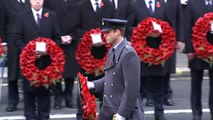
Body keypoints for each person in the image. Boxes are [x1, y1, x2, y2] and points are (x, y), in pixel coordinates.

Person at [127, 0, 180, 119]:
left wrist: (162, 33)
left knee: (158, 86)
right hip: (140, 53)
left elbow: (170, 25)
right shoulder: (135, 5)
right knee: (139, 87)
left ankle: (159, 113)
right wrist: (144, 32)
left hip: (158, 53)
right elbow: (129, 25)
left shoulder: (163, 5)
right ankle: (136, 114)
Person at [87, 18, 146, 120]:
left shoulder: (128, 53)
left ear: (117, 32)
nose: (104, 35)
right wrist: (93, 84)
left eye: (107, 32)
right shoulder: (113, 50)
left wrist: (122, 114)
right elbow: (111, 78)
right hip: (109, 110)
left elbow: (132, 88)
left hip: (122, 113)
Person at [14, 0, 61, 119]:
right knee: (29, 93)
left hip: (46, 63)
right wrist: (29, 51)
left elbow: (57, 38)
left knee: (44, 93)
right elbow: (17, 38)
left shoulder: (51, 15)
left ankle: (44, 116)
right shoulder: (22, 16)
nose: (38, 1)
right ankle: (30, 117)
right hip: (28, 63)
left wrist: (48, 49)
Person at [75, 0, 115, 119]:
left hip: (105, 55)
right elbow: (75, 28)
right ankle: (83, 116)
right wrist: (89, 36)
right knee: (84, 90)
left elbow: (114, 27)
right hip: (86, 57)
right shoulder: (80, 5)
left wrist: (104, 36)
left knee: (106, 89)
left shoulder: (109, 5)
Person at [44, 0, 80, 110]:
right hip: (56, 40)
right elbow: (46, 19)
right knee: (56, 71)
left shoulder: (77, 2)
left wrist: (72, 36)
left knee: (70, 72)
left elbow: (79, 21)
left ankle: (68, 97)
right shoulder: (49, 1)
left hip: (71, 41)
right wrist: (57, 37)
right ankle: (57, 97)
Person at [185, 0, 213, 120]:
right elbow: (187, 26)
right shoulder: (193, 3)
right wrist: (189, 49)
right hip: (197, 49)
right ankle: (196, 113)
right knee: (196, 83)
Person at [1, 0, 30, 112]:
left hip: (28, 39)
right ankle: (13, 101)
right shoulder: (5, 2)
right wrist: (4, 42)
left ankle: (30, 100)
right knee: (13, 73)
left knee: (29, 71)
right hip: (12, 41)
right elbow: (2, 22)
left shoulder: (31, 1)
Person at [163, 0, 185, 106]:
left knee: (167, 68)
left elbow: (180, 20)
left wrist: (180, 39)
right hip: (153, 39)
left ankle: (167, 94)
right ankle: (149, 96)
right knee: (153, 68)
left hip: (170, 38)